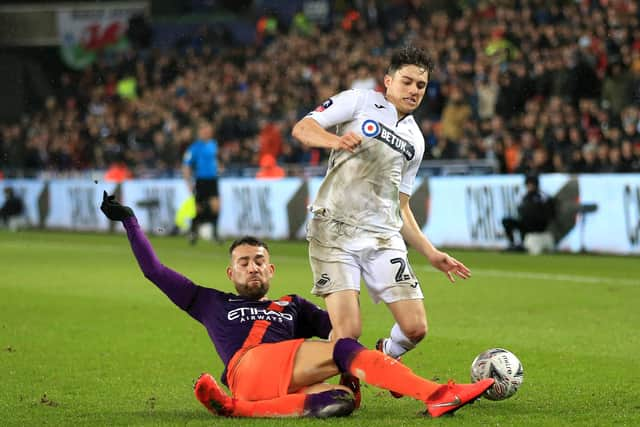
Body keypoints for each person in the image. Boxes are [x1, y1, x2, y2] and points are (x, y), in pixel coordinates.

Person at [99, 192, 494, 419]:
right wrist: (130, 220)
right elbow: (153, 270)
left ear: (270, 269)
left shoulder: (292, 306)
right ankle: (436, 393)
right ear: (230, 273)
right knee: (343, 354)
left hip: (275, 384)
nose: (252, 268)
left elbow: (342, 334)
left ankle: (239, 409)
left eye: (258, 262)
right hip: (247, 366)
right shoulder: (207, 301)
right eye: (243, 262)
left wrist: (376, 365)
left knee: (344, 398)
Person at [291, 45, 471, 397]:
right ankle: (327, 379)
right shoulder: (358, 101)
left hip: (382, 238)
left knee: (416, 328)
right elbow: (303, 127)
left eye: (421, 85)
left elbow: (400, 205)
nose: (414, 90)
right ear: (388, 81)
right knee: (347, 333)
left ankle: (384, 356)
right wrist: (335, 140)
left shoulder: (416, 141)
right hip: (334, 231)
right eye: (407, 81)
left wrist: (431, 252)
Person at [182, 120, 221, 244]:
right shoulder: (194, 147)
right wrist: (188, 182)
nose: (206, 132)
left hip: (213, 180)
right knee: (198, 209)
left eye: (208, 130)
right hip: (201, 180)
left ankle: (215, 234)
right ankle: (193, 232)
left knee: (216, 206)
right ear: (200, 132)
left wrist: (218, 167)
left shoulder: (214, 144)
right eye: (204, 130)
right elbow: (186, 165)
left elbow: (215, 160)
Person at [502, 174, 555, 251]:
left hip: (538, 225)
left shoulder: (542, 197)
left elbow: (550, 213)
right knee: (506, 221)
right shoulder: (525, 197)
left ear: (536, 185)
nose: (529, 186)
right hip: (525, 223)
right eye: (528, 184)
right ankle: (513, 243)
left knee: (527, 222)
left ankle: (523, 245)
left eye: (531, 184)